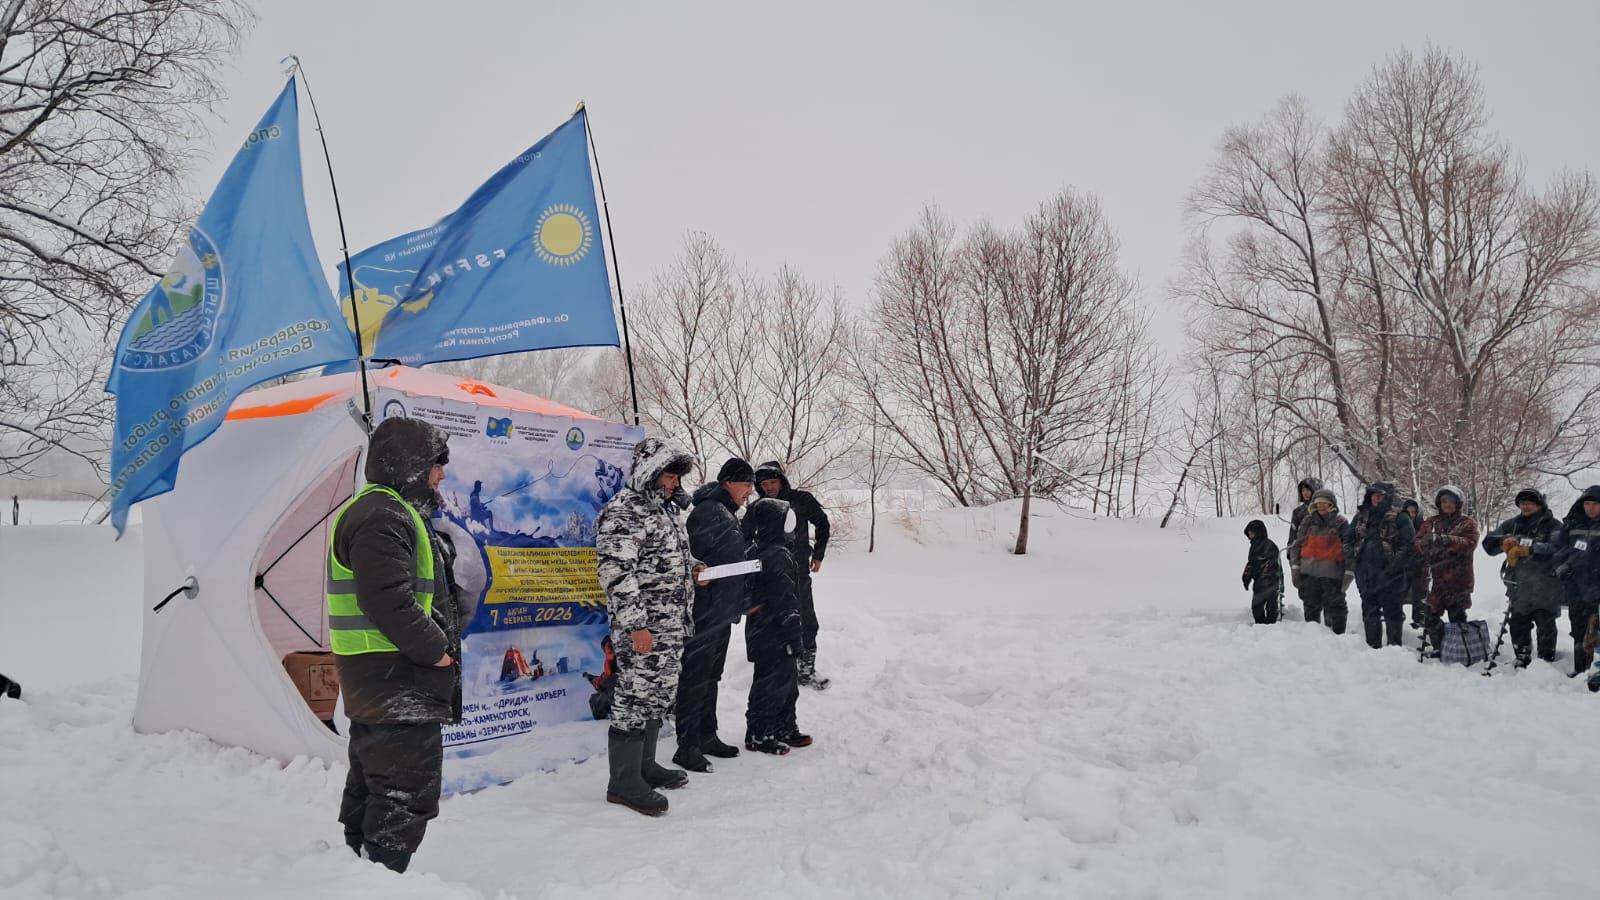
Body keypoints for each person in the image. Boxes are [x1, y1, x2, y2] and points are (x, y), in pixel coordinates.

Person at [329, 417, 463, 874]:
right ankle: (379, 878)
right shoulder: (382, 514)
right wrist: (436, 651)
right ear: (408, 464)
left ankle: (356, 874)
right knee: (405, 792)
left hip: (383, 680)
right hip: (395, 678)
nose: (440, 475)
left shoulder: (388, 511)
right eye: (434, 465)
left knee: (375, 784)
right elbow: (386, 599)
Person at [594, 438, 705, 816]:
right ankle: (623, 783)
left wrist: (695, 569)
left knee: (656, 695)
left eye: (676, 477)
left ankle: (645, 766)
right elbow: (616, 572)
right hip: (643, 629)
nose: (675, 483)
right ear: (650, 473)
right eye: (670, 475)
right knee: (633, 696)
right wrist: (636, 626)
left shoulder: (665, 511)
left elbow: (673, 556)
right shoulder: (624, 512)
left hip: (670, 626)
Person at [674, 458, 757, 773]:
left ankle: (707, 735)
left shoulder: (727, 513)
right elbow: (691, 560)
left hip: (722, 610)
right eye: (746, 483)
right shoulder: (708, 512)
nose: (750, 490)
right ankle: (687, 745)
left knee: (711, 676)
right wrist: (700, 574)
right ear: (729, 482)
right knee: (695, 677)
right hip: (704, 612)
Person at [752, 461, 831, 689]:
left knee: (806, 619)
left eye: (772, 482)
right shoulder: (760, 505)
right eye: (764, 484)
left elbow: (823, 523)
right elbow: (747, 536)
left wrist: (818, 554)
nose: (769, 487)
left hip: (798, 572)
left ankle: (806, 670)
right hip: (770, 576)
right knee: (775, 622)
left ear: (782, 481)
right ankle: (782, 669)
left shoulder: (801, 500)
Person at [742, 497, 808, 754]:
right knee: (770, 685)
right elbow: (785, 599)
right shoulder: (776, 555)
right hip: (773, 632)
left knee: (786, 683)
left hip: (767, 630)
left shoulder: (762, 550)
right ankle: (760, 733)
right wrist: (794, 634)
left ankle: (784, 726)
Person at [1482, 488, 1565, 668]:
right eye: (1522, 503)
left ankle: (1546, 661)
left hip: (1546, 585)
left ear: (1539, 505)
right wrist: (1503, 542)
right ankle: (1522, 657)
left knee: (1545, 624)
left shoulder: (1553, 525)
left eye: (1530, 503)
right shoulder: (1512, 524)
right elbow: (1488, 544)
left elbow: (1558, 548)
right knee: (1518, 624)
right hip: (1518, 585)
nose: (1526, 507)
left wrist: (1531, 548)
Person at [1347, 482, 1415, 649]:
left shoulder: (1400, 516)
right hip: (1366, 573)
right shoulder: (1361, 516)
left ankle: (1394, 649)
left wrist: (1395, 567)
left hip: (1391, 574)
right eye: (1374, 495)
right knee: (1370, 610)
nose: (1376, 498)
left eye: (1380, 495)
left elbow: (1410, 545)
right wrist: (1354, 562)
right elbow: (1348, 539)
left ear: (1388, 497)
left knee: (1393, 611)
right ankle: (1373, 648)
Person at [1414, 486, 1479, 656]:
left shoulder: (1467, 523)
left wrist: (1445, 540)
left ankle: (1460, 649)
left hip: (1459, 579)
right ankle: (1440, 646)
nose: (1447, 504)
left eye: (1451, 501)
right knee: (1430, 615)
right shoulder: (1431, 522)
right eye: (1444, 501)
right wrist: (1427, 546)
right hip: (1438, 578)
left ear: (1458, 503)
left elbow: (1470, 543)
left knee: (1456, 615)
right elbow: (1418, 542)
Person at [1289, 488, 1354, 633]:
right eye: (1318, 504)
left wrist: (1348, 574)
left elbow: (1350, 551)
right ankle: (1314, 640)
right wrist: (1295, 568)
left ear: (1332, 505)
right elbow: (1296, 546)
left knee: (1336, 609)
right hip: (1309, 576)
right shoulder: (1307, 521)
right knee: (1311, 607)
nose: (1321, 507)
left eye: (1325, 503)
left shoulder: (1341, 522)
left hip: (1332, 576)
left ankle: (1338, 642)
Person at [1558, 486, 1600, 676]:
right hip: (1576, 587)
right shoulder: (1573, 524)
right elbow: (1561, 549)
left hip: (1597, 587)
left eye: (1595, 504)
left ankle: (1595, 671)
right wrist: (1564, 565)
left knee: (1596, 632)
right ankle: (1580, 668)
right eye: (1587, 504)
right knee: (1578, 629)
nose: (1590, 508)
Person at [1286, 477, 1323, 616]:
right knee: (1309, 598)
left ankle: (1332, 634)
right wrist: (1292, 560)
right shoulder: (1298, 512)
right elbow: (1292, 537)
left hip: (1325, 561)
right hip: (1305, 561)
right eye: (1303, 490)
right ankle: (1311, 630)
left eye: (1308, 489)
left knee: (1329, 599)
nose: (1305, 493)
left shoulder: (1325, 509)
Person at [1241, 520, 1283, 624]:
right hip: (1259, 583)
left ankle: (1272, 626)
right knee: (1256, 607)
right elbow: (1251, 563)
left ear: (1258, 532)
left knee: (1271, 607)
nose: (1249, 536)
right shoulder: (1254, 546)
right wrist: (1246, 577)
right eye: (1248, 534)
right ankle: (1260, 626)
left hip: (1270, 582)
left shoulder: (1269, 545)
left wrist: (1265, 577)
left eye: (1251, 533)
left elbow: (1271, 563)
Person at [1400, 498, 1429, 629]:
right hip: (1401, 566)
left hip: (1419, 566)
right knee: (1398, 592)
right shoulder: (1399, 525)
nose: (1411, 515)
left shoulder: (1424, 528)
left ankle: (1419, 621)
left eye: (1414, 512)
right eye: (1408, 512)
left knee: (1420, 594)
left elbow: (1427, 545)